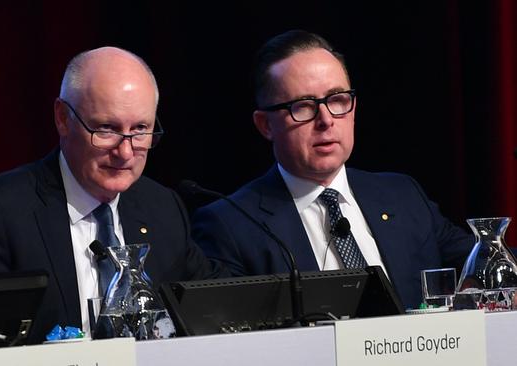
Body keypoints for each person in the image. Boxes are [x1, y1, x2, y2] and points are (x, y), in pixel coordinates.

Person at [0, 47, 225, 341]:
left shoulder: (163, 209)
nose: (125, 152)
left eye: (140, 129)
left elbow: (209, 315)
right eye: (106, 129)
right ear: (63, 118)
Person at [191, 30, 474, 310]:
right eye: (302, 106)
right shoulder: (231, 226)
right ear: (265, 125)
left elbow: (481, 262)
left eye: (337, 100)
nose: (325, 120)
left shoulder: (402, 196)